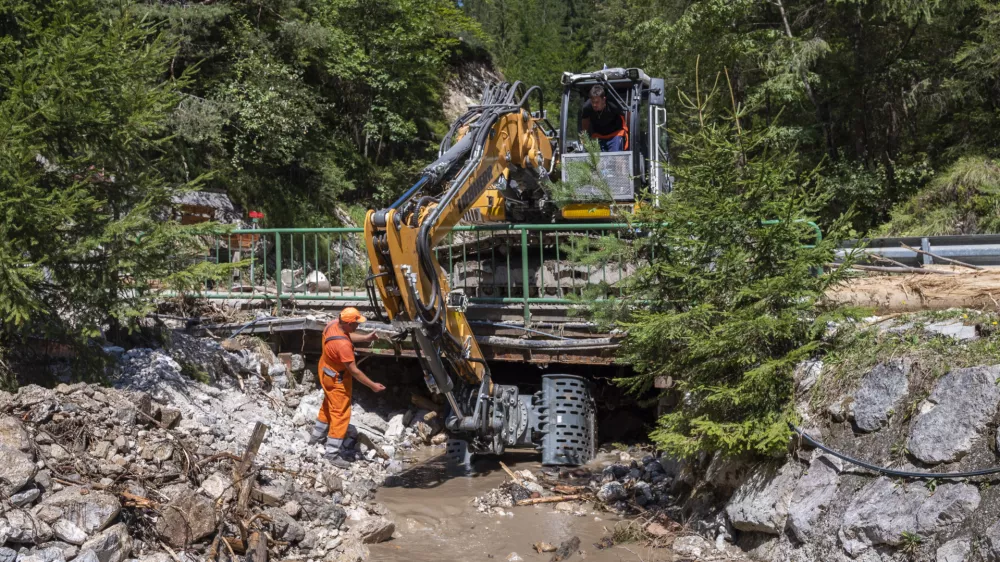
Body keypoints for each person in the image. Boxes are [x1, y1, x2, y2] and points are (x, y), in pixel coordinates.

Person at [308, 307, 383, 468]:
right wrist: (373, 386)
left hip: (325, 370)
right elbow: (355, 371)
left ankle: (315, 438)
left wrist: (365, 338)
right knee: (341, 413)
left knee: (329, 404)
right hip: (337, 378)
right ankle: (332, 453)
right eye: (356, 324)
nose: (358, 326)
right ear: (348, 323)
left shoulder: (333, 324)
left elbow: (346, 336)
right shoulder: (343, 347)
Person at [581, 85, 628, 152]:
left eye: (597, 102)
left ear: (604, 99)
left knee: (615, 158)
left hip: (615, 134)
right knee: (596, 159)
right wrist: (584, 137)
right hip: (598, 135)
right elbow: (585, 121)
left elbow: (627, 115)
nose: (594, 105)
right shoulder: (587, 107)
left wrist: (630, 133)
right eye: (592, 102)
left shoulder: (614, 104)